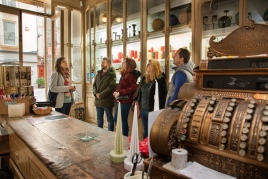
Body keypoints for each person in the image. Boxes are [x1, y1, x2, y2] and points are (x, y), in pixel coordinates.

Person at [134, 59, 167, 139]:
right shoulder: (145, 78)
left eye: (148, 65)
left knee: (152, 131)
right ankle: (145, 148)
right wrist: (137, 103)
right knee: (145, 130)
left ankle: (151, 149)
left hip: (152, 110)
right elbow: (140, 92)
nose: (146, 67)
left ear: (153, 67)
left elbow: (162, 97)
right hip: (143, 109)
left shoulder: (160, 80)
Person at [113, 58, 141, 136]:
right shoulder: (124, 74)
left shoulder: (132, 75)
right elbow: (120, 86)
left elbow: (132, 88)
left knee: (122, 120)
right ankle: (120, 136)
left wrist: (120, 92)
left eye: (124, 62)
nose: (122, 63)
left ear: (129, 64)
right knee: (116, 119)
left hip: (126, 100)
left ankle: (124, 137)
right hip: (120, 99)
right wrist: (116, 91)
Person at [93, 57, 116, 131]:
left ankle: (110, 135)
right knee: (99, 120)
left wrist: (101, 95)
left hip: (107, 101)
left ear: (108, 64)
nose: (102, 64)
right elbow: (94, 85)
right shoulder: (98, 73)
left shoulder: (111, 74)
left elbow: (111, 87)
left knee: (109, 120)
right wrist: (95, 93)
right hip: (98, 101)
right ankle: (100, 135)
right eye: (101, 62)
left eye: (103, 62)